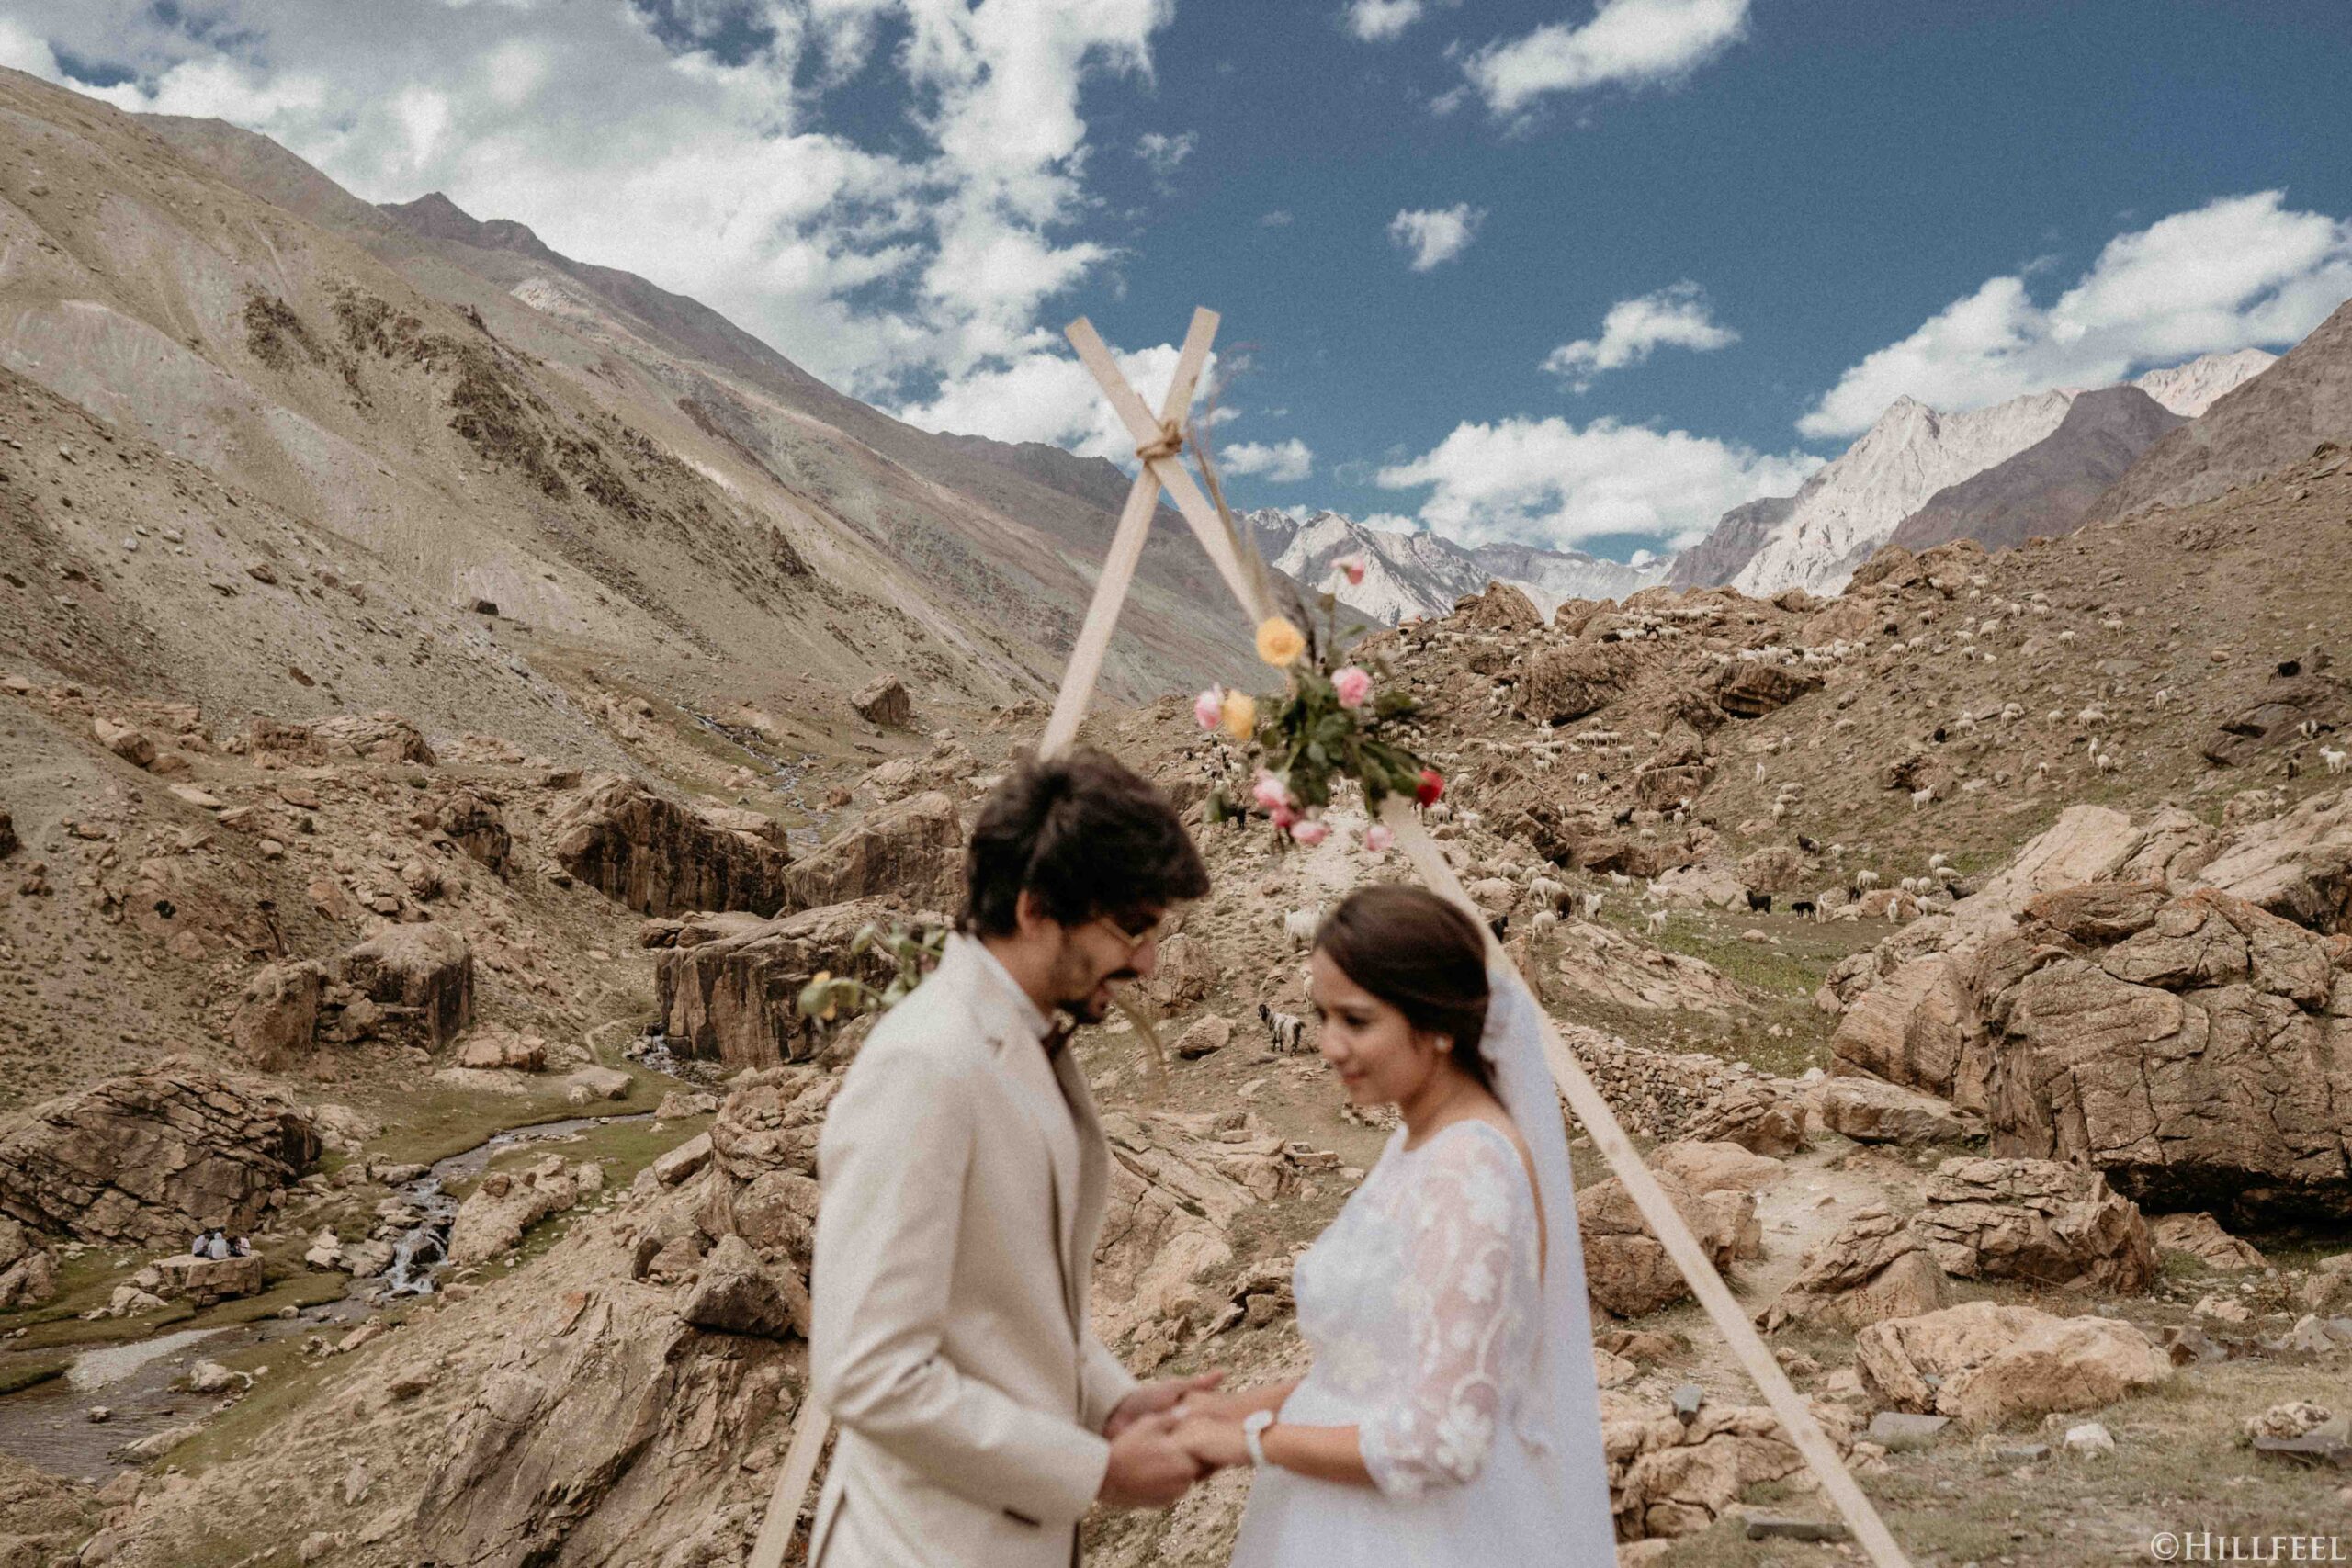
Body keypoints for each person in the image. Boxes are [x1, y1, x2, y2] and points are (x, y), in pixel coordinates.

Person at [808, 747, 1221, 1568]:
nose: (1148, 961)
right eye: (1131, 927)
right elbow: (868, 1371)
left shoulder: (1018, 1037)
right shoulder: (926, 1063)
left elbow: (1006, 1304)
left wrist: (1113, 1404)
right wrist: (1097, 1471)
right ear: (1036, 910)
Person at [1170, 885, 1616, 1565]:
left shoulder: (1472, 1167)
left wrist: (1252, 1440)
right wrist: (1232, 1409)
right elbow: (1376, 1374)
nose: (1328, 1045)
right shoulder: (1417, 1139)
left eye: (1356, 1020)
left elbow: (1445, 1441)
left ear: (1437, 1023)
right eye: (1321, 1016)